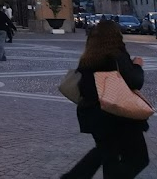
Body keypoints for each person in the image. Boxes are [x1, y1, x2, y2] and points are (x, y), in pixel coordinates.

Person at [62, 19, 149, 178]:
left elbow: (85, 88)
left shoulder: (87, 58)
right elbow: (135, 81)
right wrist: (137, 65)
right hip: (118, 114)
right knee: (138, 158)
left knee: (107, 154)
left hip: (94, 116)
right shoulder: (116, 56)